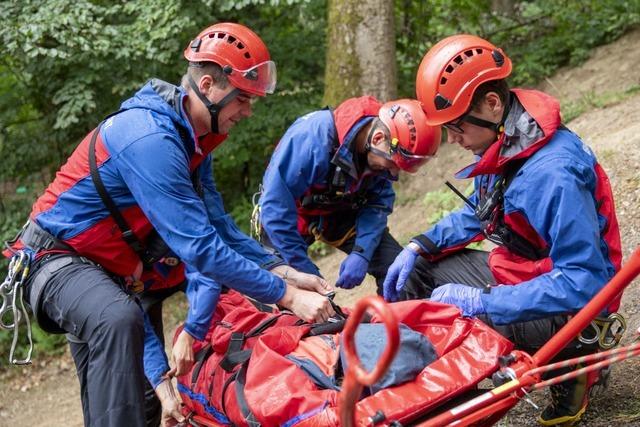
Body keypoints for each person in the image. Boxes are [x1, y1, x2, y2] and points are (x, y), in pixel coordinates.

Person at [3, 22, 334, 427]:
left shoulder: (194, 142)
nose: (247, 112)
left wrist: (280, 270)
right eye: (243, 100)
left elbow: (220, 231)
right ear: (209, 86)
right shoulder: (150, 140)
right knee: (117, 320)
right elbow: (200, 250)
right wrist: (287, 296)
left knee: (142, 401)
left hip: (112, 274)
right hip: (55, 260)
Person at [383, 34, 622, 426]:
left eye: (456, 127)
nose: (452, 140)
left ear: (492, 104)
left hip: (578, 310)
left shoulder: (551, 174)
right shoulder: (507, 142)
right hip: (528, 270)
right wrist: (418, 244)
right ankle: (428, 391)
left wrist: (483, 302)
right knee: (422, 270)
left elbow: (587, 281)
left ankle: (574, 366)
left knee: (465, 304)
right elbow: (485, 213)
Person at [257, 96, 440, 293]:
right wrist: (306, 275)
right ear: (377, 139)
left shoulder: (382, 154)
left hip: (340, 209)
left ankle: (394, 318)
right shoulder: (310, 142)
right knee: (304, 296)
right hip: (288, 216)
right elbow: (275, 213)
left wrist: (362, 252)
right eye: (394, 164)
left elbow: (377, 204)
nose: (393, 174)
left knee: (401, 274)